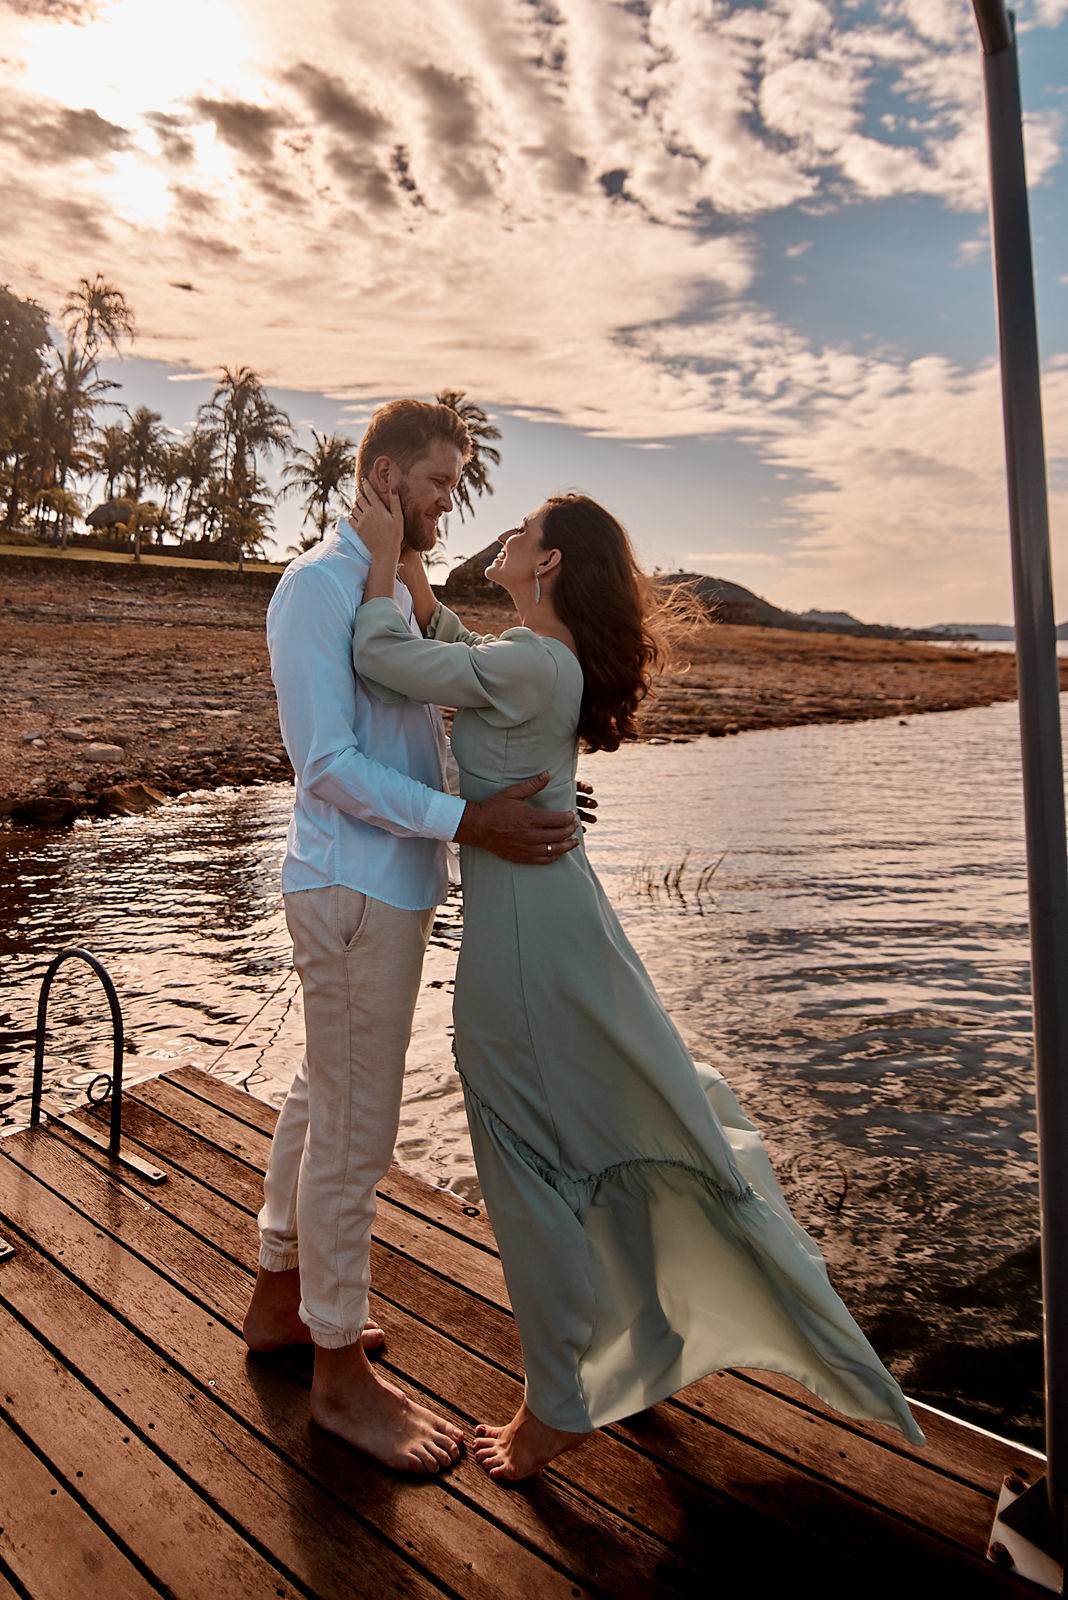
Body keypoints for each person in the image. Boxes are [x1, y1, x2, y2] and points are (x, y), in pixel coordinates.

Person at [350, 484, 925, 1482]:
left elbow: (382, 659)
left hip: (525, 942)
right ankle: (645, 1340)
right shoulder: (537, 660)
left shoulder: (531, 662)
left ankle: (559, 1405)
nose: (504, 533)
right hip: (555, 922)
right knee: (598, 1126)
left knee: (521, 1149)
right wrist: (413, 576)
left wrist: (374, 563)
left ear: (553, 560)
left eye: (522, 529)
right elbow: (458, 657)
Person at [242, 399, 587, 1476]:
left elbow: (441, 705)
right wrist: (467, 821)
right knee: (358, 1129)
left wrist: (512, 794)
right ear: (387, 479)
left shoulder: (390, 589)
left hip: (384, 884)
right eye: (440, 482)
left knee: (320, 1090)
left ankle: (279, 1298)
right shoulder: (319, 587)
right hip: (352, 888)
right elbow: (328, 767)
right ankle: (340, 1376)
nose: (453, 501)